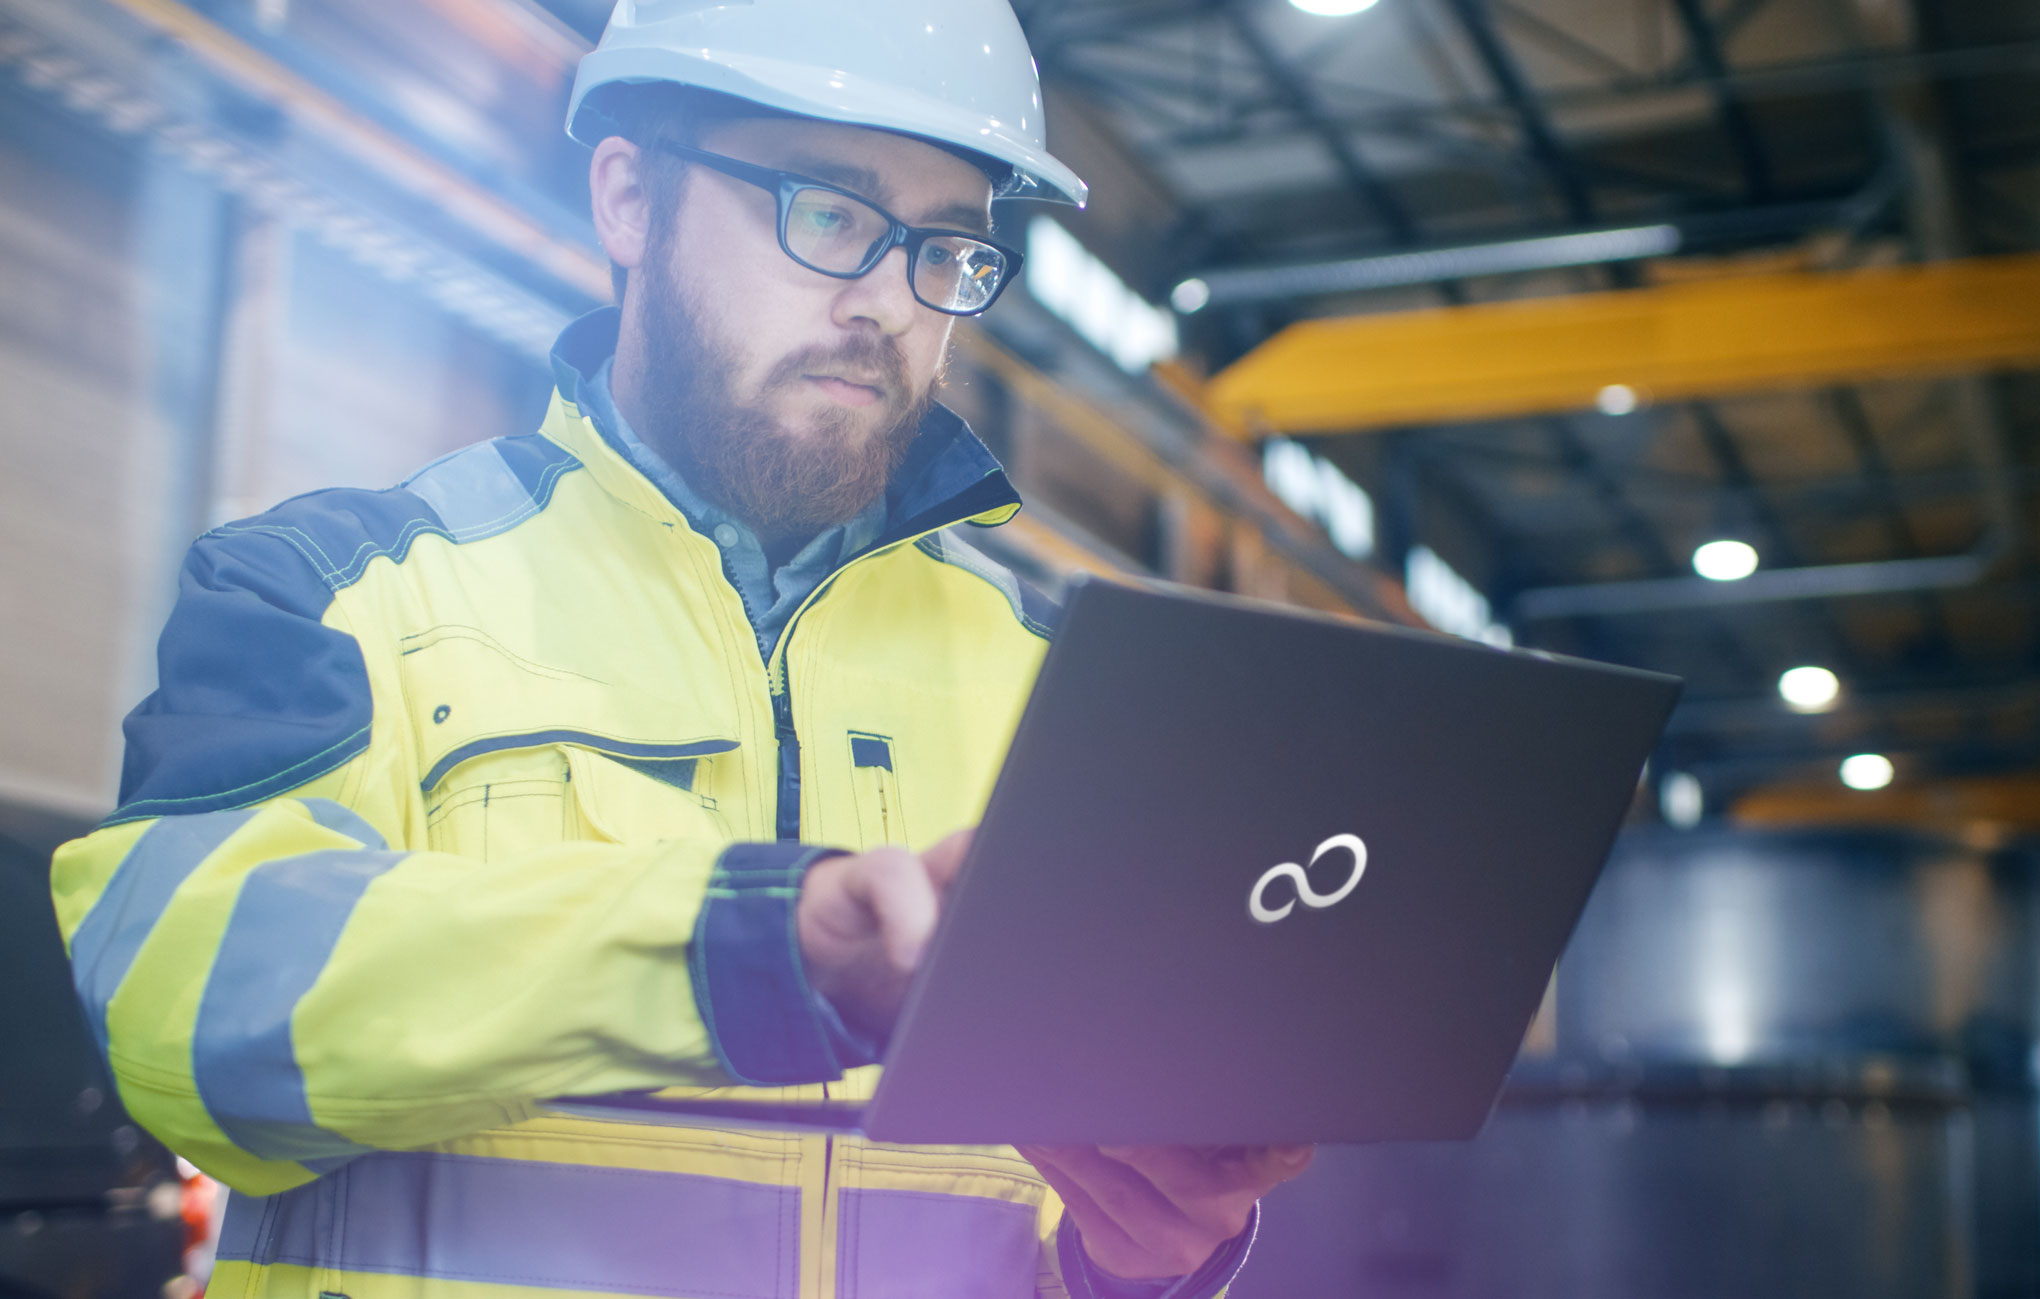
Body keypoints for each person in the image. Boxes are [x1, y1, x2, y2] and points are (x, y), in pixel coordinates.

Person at [48, 3, 1313, 1296]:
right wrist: (754, 950)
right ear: (628, 199)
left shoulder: (1069, 689)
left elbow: (1052, 1227)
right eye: (828, 213)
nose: (888, 300)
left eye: (946, 249)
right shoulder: (336, 589)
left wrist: (1140, 1261)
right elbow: (190, 1019)